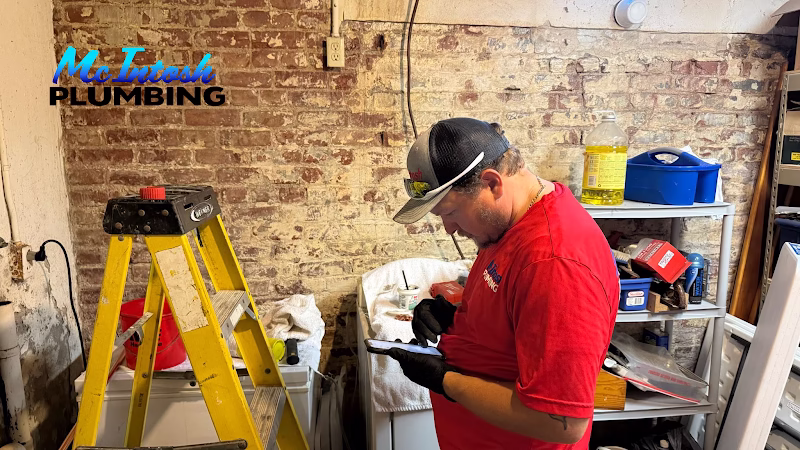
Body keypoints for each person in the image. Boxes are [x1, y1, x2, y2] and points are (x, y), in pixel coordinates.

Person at [388, 117, 620, 449]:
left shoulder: (555, 262)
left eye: (450, 213)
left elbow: (562, 422)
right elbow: (512, 314)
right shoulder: (507, 224)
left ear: (491, 183)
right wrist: (454, 318)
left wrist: (444, 380)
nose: (449, 229)